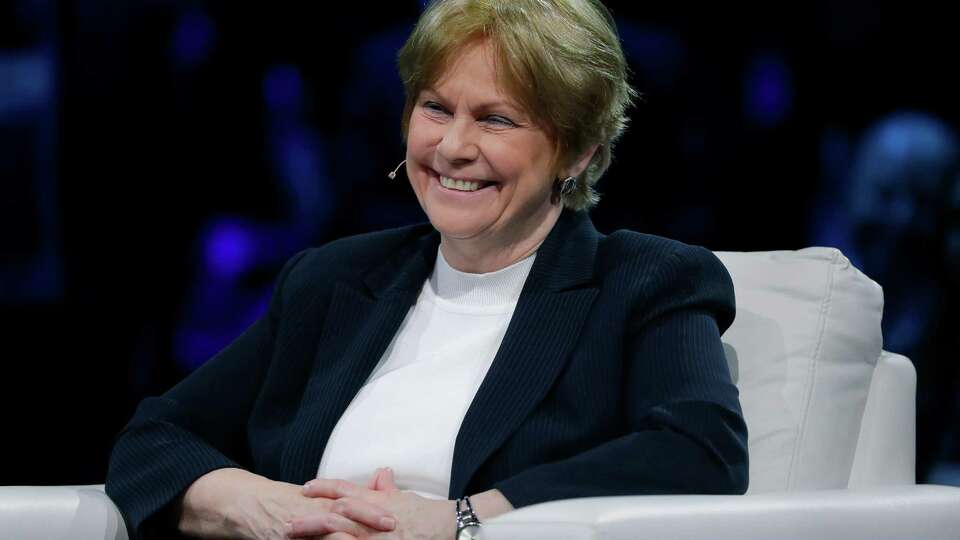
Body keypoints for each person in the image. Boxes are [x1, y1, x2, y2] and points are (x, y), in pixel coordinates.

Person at [106, 1, 749, 539]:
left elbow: (700, 450)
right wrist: (268, 509)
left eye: (496, 119)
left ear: (577, 151)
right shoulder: (334, 279)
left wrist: (459, 521)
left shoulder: (643, 280)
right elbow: (155, 438)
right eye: (436, 109)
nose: (452, 147)